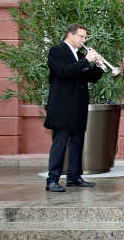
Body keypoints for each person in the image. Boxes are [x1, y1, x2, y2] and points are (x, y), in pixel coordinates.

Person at [44, 23, 105, 192]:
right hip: (62, 106)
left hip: (78, 105)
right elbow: (63, 72)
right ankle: (52, 180)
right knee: (60, 143)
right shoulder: (56, 51)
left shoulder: (78, 54)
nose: (84, 40)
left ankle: (74, 177)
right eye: (82, 36)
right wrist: (86, 60)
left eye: (85, 37)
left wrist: (98, 66)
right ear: (70, 35)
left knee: (77, 143)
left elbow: (89, 78)